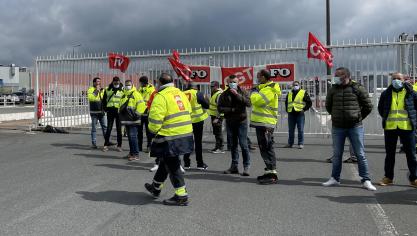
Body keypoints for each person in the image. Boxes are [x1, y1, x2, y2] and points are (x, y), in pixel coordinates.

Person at [322, 67, 376, 191]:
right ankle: (335, 178)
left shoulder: (357, 88)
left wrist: (358, 117)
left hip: (355, 127)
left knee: (360, 154)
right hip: (338, 127)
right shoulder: (333, 89)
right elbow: (328, 106)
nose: (335, 77)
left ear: (345, 76)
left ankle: (366, 180)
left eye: (337, 75)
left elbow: (368, 106)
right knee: (337, 155)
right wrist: (336, 116)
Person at [144, 73, 193, 206]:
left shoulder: (161, 96)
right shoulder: (181, 93)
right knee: (166, 160)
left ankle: (181, 195)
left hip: (170, 136)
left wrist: (152, 131)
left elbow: (155, 120)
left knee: (173, 165)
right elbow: (189, 111)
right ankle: (156, 187)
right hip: (185, 134)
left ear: (159, 83)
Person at [377, 72, 417, 188]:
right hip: (391, 127)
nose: (396, 80)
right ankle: (388, 177)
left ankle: (414, 178)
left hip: (407, 127)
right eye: (394, 78)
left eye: (398, 78)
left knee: (411, 155)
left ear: (404, 80)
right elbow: (381, 109)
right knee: (390, 155)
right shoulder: (386, 93)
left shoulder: (411, 93)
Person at [250, 69, 281, 184]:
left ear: (263, 77)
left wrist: (253, 92)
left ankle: (272, 175)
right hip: (263, 123)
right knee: (264, 147)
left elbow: (258, 101)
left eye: (258, 77)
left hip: (266, 123)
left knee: (267, 148)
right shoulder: (265, 88)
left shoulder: (269, 89)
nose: (257, 79)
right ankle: (269, 171)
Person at [218, 74, 251, 176]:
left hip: (242, 122)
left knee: (243, 144)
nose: (233, 84)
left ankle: (246, 166)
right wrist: (231, 110)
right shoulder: (223, 94)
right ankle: (234, 166)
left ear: (238, 82)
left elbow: (248, 103)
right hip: (230, 122)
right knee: (233, 145)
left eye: (235, 82)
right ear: (227, 83)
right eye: (231, 82)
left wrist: (237, 95)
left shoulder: (243, 92)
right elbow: (220, 108)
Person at [183, 82, 209, 170]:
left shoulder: (182, 94)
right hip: (197, 121)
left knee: (187, 142)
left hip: (186, 121)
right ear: (195, 88)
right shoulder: (198, 93)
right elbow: (207, 105)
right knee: (198, 142)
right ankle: (200, 163)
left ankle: (186, 163)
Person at [119, 80, 147, 161]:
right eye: (126, 84)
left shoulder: (135, 94)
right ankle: (131, 153)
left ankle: (136, 154)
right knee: (130, 138)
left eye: (129, 85)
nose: (127, 86)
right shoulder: (124, 94)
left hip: (133, 120)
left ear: (132, 85)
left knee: (133, 137)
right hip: (126, 120)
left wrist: (137, 114)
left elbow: (142, 105)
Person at [284, 80, 312, 149]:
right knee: (291, 130)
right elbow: (286, 102)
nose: (295, 86)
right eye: (294, 85)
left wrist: (304, 109)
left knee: (300, 129)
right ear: (292, 86)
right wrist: (287, 109)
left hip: (300, 114)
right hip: (291, 114)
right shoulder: (290, 93)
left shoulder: (303, 92)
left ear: (299, 85)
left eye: (296, 85)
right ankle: (290, 143)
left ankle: (300, 143)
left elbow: (309, 103)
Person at [102, 77, 124, 152]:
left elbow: (124, 101)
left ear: (119, 81)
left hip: (119, 112)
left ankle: (119, 145)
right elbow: (104, 100)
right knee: (109, 128)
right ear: (113, 81)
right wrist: (105, 109)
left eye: (117, 81)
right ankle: (105, 144)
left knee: (119, 129)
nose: (116, 83)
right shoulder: (108, 89)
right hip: (110, 110)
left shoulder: (123, 89)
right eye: (115, 81)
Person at [87, 77, 107, 149]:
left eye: (99, 81)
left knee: (105, 127)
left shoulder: (103, 90)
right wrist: (96, 91)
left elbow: (105, 99)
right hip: (94, 112)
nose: (99, 83)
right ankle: (94, 143)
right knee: (94, 128)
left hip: (102, 112)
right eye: (97, 81)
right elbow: (91, 98)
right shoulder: (90, 89)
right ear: (94, 82)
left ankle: (106, 142)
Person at [137, 76, 155, 153]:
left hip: (148, 113)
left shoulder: (151, 89)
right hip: (140, 113)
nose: (140, 84)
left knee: (148, 132)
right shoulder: (139, 89)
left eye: (140, 82)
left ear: (143, 82)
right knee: (139, 131)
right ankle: (139, 146)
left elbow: (153, 101)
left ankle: (149, 146)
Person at [207, 81, 225, 154]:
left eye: (213, 86)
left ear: (217, 86)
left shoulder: (219, 94)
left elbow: (221, 107)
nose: (211, 88)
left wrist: (217, 118)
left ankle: (220, 148)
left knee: (218, 132)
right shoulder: (215, 93)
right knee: (216, 132)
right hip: (214, 115)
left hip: (217, 116)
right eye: (211, 86)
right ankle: (217, 147)